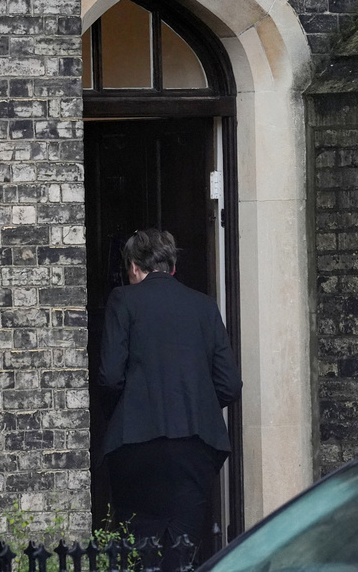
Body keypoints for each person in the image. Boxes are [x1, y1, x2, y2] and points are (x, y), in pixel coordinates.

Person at [98, 228, 242, 565]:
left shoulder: (123, 300)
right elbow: (230, 385)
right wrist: (197, 406)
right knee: (183, 551)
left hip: (136, 443)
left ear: (134, 267)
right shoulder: (205, 306)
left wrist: (123, 413)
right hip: (195, 443)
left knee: (140, 550)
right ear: (172, 267)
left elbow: (109, 376)